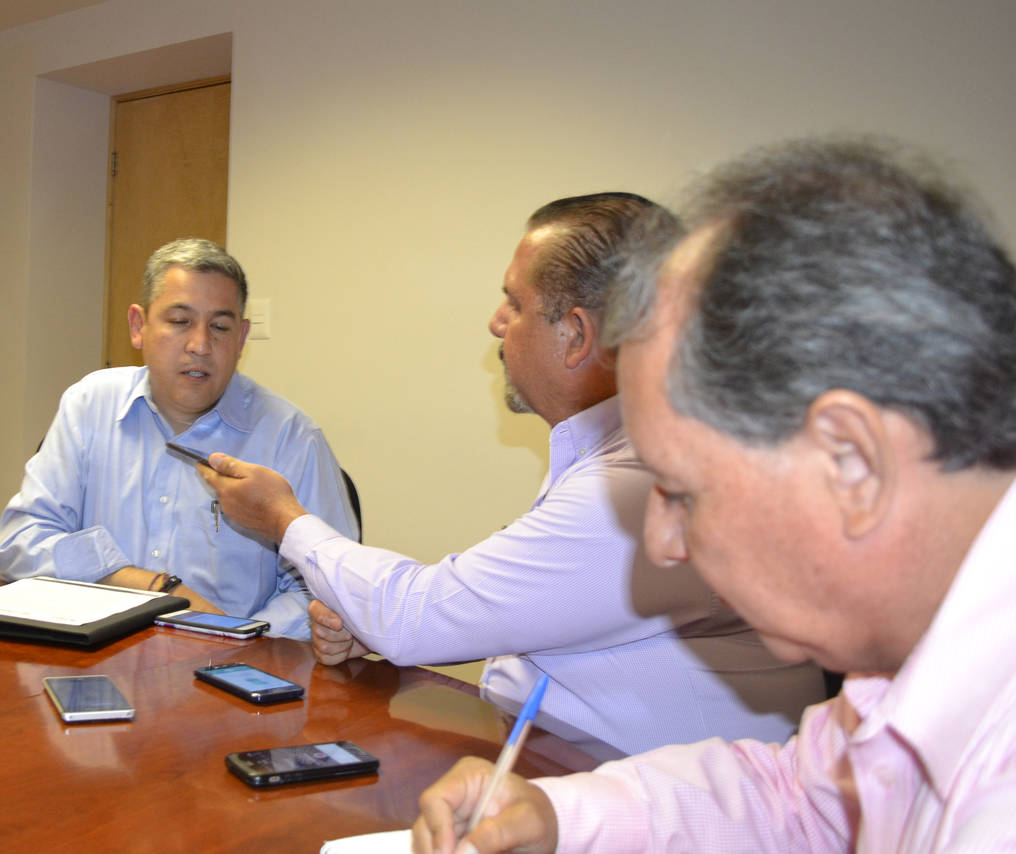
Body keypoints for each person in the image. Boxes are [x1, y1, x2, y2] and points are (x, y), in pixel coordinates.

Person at [412, 138, 1016, 853]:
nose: (663, 542)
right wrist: (559, 815)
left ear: (852, 462)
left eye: (684, 492)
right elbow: (804, 801)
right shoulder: (908, 648)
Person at [198, 194, 824, 756]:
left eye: (516, 303)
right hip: (555, 763)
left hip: (642, 805)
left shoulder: (642, 484)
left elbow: (420, 616)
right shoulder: (618, 446)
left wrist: (285, 520)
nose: (497, 323)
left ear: (576, 335)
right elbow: (496, 613)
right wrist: (370, 624)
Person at [0, 238, 358, 640]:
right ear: (139, 326)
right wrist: (152, 586)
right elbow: (22, 541)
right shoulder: (90, 405)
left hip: (225, 668)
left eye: (220, 327)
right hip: (94, 656)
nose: (200, 345)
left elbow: (328, 591)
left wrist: (235, 638)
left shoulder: (291, 438)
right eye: (180, 321)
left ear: (241, 338)